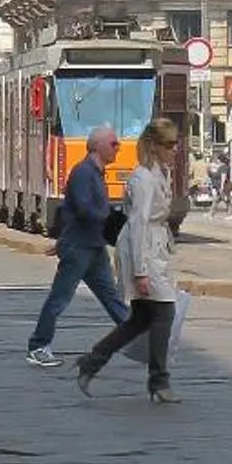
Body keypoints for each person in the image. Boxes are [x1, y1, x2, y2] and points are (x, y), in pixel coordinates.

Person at [76, 116, 183, 407]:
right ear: (155, 146)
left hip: (153, 246)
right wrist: (140, 271)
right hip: (142, 249)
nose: (176, 150)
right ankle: (159, 380)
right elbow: (137, 225)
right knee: (164, 313)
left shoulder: (159, 172)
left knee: (141, 318)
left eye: (177, 144)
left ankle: (92, 361)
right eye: (170, 145)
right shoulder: (144, 178)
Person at [26, 124, 128, 365]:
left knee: (111, 297)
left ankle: (140, 336)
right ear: (98, 146)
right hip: (79, 247)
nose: (118, 148)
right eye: (114, 144)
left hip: (93, 245)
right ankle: (38, 346)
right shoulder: (83, 172)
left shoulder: (95, 172)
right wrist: (108, 215)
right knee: (60, 297)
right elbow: (83, 209)